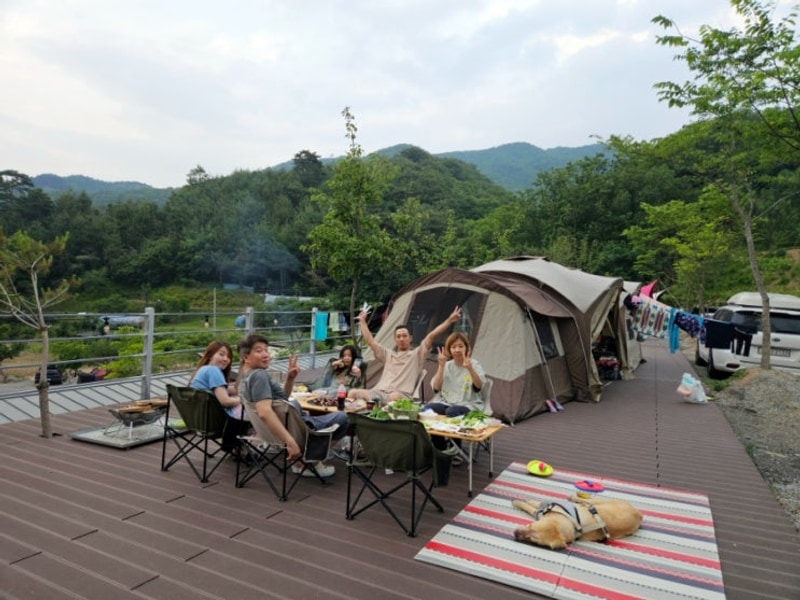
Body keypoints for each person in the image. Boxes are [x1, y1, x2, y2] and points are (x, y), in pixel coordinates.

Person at [236, 334, 349, 477]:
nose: (266, 355)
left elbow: (281, 399)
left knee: (295, 404)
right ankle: (310, 461)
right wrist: (290, 442)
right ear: (246, 357)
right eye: (259, 351)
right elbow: (264, 412)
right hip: (293, 432)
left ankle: (304, 459)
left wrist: (290, 378)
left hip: (271, 434)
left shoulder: (244, 379)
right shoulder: (259, 376)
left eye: (266, 350)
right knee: (343, 417)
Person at [348, 306, 463, 405]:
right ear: (395, 339)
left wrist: (449, 320)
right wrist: (362, 321)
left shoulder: (417, 355)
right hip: (379, 392)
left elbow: (431, 336)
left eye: (404, 336)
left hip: (401, 395)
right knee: (352, 393)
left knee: (394, 397)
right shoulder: (388, 354)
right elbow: (370, 341)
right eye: (398, 337)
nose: (401, 339)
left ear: (410, 338)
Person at [188, 340, 247, 453]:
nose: (226, 359)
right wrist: (246, 400)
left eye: (228, 356)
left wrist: (241, 367)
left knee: (243, 406)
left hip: (199, 421)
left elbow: (235, 390)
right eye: (221, 354)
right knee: (253, 410)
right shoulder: (213, 371)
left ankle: (237, 447)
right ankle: (239, 447)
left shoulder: (202, 370)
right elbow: (225, 401)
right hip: (216, 423)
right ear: (210, 355)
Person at [424, 331, 485, 417]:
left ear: (466, 348)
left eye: (460, 346)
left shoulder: (474, 364)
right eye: (453, 347)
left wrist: (470, 368)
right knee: (426, 408)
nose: (457, 350)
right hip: (447, 402)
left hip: (468, 404)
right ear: (449, 350)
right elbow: (436, 388)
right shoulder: (447, 365)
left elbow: (478, 387)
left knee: (451, 411)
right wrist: (441, 366)